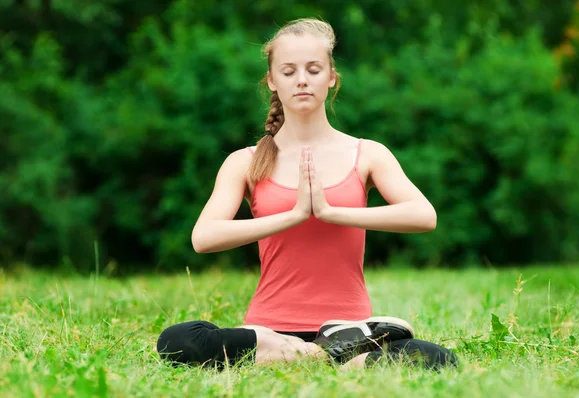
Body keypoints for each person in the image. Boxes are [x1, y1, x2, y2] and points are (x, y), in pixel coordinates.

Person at [156, 18, 458, 371]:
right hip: (267, 330)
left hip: (349, 323)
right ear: (272, 80)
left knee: (437, 359)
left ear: (331, 77)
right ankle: (327, 357)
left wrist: (330, 212)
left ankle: (338, 344)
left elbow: (424, 216)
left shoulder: (367, 153)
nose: (302, 79)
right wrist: (295, 215)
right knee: (175, 341)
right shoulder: (246, 162)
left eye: (313, 69)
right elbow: (204, 237)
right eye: (289, 71)